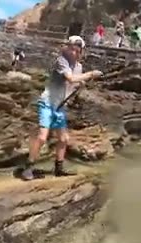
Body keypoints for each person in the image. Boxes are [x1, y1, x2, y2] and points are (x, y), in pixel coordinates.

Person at [20, 36, 103, 181]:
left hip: (60, 106)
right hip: (47, 103)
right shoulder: (61, 61)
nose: (74, 53)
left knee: (64, 139)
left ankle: (59, 168)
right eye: (71, 49)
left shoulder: (79, 67)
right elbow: (70, 78)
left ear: (81, 51)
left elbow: (74, 83)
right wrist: (90, 74)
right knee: (41, 137)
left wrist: (83, 82)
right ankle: (28, 167)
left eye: (77, 51)